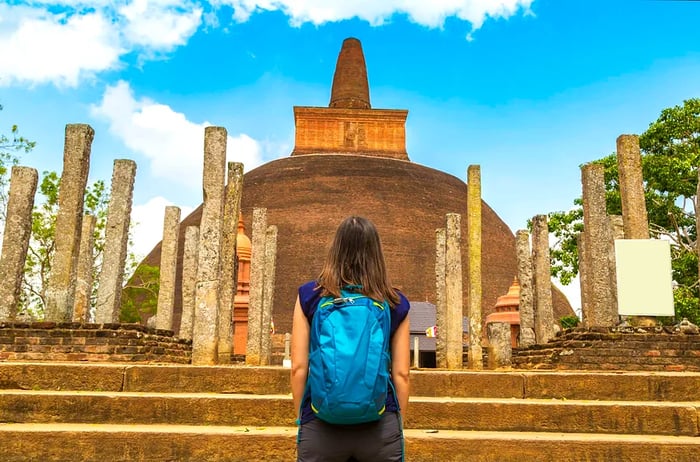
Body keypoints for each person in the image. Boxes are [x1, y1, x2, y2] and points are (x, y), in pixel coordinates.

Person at [291, 216, 411, 462]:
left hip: (320, 423)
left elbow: (298, 368)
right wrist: (396, 424)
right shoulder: (394, 302)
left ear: (335, 249)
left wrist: (303, 419)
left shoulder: (310, 296)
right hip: (380, 425)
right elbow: (402, 375)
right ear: (377, 252)